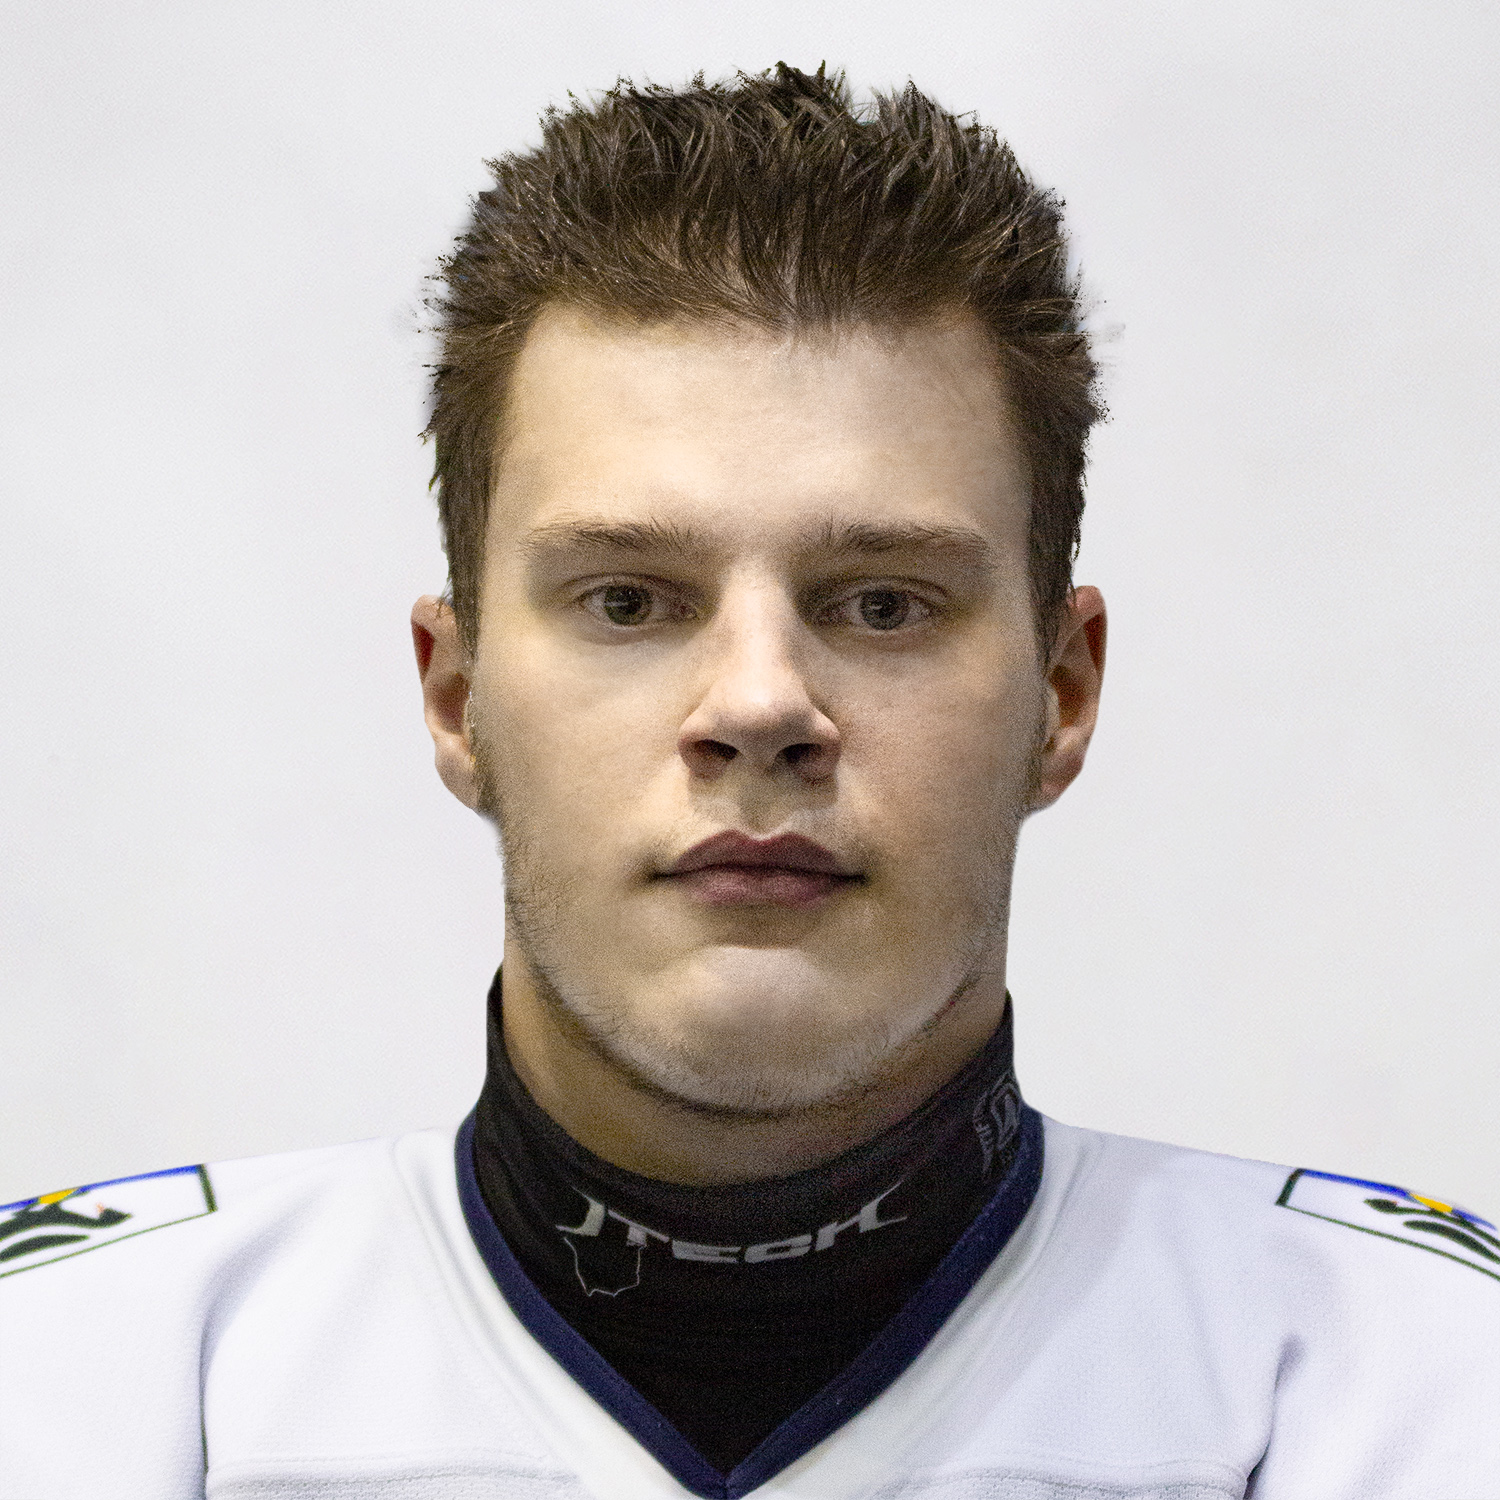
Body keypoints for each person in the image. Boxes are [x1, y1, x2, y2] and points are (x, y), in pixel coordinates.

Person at [2, 63, 1497, 1500]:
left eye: (884, 603)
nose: (761, 704)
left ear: (1062, 692)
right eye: (629, 600)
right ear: (457, 697)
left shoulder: (1427, 1377)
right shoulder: (66, 1373)